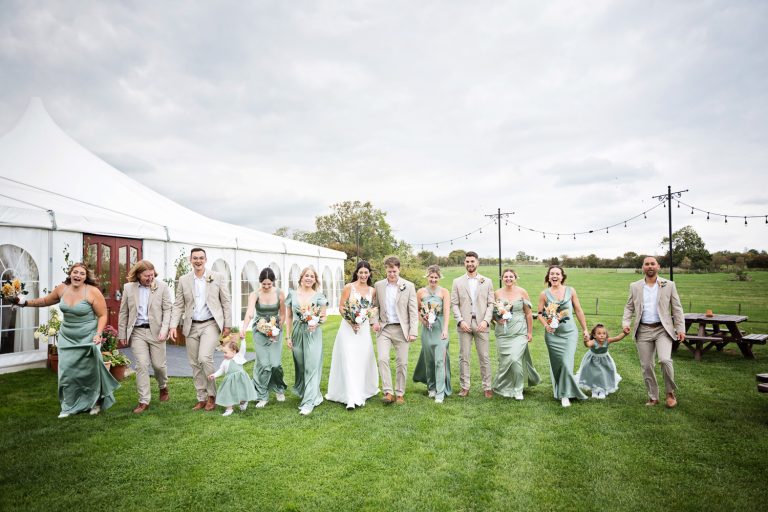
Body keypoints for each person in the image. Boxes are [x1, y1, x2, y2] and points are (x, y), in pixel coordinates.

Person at [16, 262, 119, 418]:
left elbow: (102, 315)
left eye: (82, 273)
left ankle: (95, 402)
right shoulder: (62, 289)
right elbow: (45, 301)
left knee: (90, 373)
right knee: (66, 373)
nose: (78, 275)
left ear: (86, 277)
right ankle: (69, 406)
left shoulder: (92, 292)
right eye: (75, 272)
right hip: (67, 337)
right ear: (70, 274)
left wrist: (98, 334)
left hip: (88, 336)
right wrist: (24, 303)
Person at [169, 248, 232, 411]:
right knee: (194, 363)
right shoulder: (183, 280)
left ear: (206, 259)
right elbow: (178, 304)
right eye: (195, 258)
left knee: (204, 358)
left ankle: (212, 395)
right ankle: (201, 397)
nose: (198, 261)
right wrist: (173, 325)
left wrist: (227, 324)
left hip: (210, 323)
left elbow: (226, 301)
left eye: (201, 258)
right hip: (191, 325)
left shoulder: (217, 277)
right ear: (190, 260)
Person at [622, 256, 685, 408]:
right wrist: (626, 322)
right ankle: (653, 397)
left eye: (652, 264)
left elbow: (677, 308)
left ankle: (670, 393)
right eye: (646, 264)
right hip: (643, 330)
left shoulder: (668, 285)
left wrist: (680, 328)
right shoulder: (635, 286)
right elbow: (629, 306)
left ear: (658, 266)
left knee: (664, 360)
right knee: (647, 365)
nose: (649, 266)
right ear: (643, 267)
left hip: (663, 330)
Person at [117, 260, 172, 414]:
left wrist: (164, 328)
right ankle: (144, 401)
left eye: (152, 275)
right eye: (146, 275)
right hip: (137, 332)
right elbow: (123, 312)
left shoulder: (162, 287)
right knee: (141, 365)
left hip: (157, 331)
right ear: (138, 275)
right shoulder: (129, 288)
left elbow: (168, 309)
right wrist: (122, 333)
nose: (150, 278)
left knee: (159, 366)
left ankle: (163, 386)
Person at [326, 261, 380, 410]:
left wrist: (365, 318)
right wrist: (351, 321)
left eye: (366, 272)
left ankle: (361, 390)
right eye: (361, 272)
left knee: (361, 360)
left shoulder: (372, 291)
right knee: (348, 359)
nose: (363, 275)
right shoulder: (349, 288)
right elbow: (342, 307)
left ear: (369, 274)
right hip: (347, 330)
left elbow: (373, 309)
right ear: (356, 273)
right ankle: (350, 397)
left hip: (363, 331)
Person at [537, 265, 589, 407]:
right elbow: (540, 314)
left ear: (562, 276)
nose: (554, 276)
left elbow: (578, 310)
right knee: (557, 365)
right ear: (548, 277)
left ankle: (565, 395)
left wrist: (585, 329)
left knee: (566, 363)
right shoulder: (544, 294)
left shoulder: (570, 291)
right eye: (552, 274)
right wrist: (546, 325)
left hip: (569, 333)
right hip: (552, 336)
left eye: (557, 274)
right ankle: (560, 390)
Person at [372, 256, 418, 404]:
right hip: (384, 328)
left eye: (394, 271)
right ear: (385, 269)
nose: (392, 274)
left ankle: (399, 393)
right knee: (382, 359)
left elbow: (413, 311)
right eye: (389, 271)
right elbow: (375, 307)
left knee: (402, 362)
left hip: (401, 329)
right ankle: (388, 392)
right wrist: (374, 322)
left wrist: (413, 331)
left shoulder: (408, 286)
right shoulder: (378, 285)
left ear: (399, 270)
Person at [241, 268, 287, 408]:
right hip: (259, 330)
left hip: (275, 329)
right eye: (264, 284)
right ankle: (262, 395)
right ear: (260, 282)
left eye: (269, 284)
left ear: (273, 282)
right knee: (263, 364)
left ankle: (279, 388)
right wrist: (244, 328)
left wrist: (276, 330)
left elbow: (283, 314)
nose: (266, 287)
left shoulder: (280, 293)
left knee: (275, 364)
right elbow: (249, 312)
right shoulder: (255, 294)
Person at [451, 251, 495, 398]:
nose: (470, 264)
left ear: (477, 263)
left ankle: (487, 387)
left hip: (482, 323)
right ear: (464, 263)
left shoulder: (487, 281)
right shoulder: (457, 282)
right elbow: (454, 304)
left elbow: (491, 304)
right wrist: (460, 320)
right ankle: (465, 387)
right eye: (467, 261)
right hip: (464, 324)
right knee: (464, 356)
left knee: (485, 356)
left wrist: (486, 321)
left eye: (472, 261)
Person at [491, 268, 540, 400]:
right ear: (502, 278)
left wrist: (529, 332)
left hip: (519, 331)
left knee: (514, 359)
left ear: (515, 278)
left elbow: (529, 313)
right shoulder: (496, 293)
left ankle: (518, 389)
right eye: (505, 276)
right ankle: (503, 386)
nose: (508, 279)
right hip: (503, 333)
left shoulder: (522, 292)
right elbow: (491, 313)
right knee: (504, 361)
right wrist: (497, 319)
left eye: (511, 276)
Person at [285, 267, 328, 416]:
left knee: (311, 366)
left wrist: (316, 323)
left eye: (312, 276)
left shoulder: (319, 296)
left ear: (315, 280)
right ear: (301, 278)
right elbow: (289, 317)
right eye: (306, 275)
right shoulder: (292, 294)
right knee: (301, 366)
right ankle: (312, 394)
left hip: (313, 333)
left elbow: (323, 316)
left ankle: (308, 403)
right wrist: (288, 336)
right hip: (297, 332)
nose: (309, 278)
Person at [412, 265, 452, 404]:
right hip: (427, 329)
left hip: (440, 328)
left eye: (436, 277)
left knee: (440, 360)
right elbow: (416, 310)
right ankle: (432, 387)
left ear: (439, 278)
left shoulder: (444, 292)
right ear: (427, 277)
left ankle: (440, 392)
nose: (433, 280)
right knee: (429, 360)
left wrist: (445, 329)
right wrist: (423, 320)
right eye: (431, 277)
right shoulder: (421, 292)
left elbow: (447, 312)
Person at [207, 339, 257, 416]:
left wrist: (243, 340)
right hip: (229, 381)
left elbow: (243, 349)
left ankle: (243, 402)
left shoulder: (238, 357)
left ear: (233, 352)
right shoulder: (225, 361)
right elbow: (221, 370)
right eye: (223, 352)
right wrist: (214, 375)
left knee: (241, 392)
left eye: (225, 352)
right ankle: (229, 409)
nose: (224, 354)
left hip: (240, 380)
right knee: (228, 394)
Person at [576, 324, 626, 399]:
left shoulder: (607, 340)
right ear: (594, 335)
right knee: (594, 375)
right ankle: (594, 390)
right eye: (599, 333)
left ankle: (603, 390)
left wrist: (624, 333)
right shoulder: (593, 341)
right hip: (592, 360)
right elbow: (587, 344)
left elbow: (617, 338)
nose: (602, 335)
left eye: (604, 333)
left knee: (604, 374)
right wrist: (586, 340)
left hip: (605, 360)